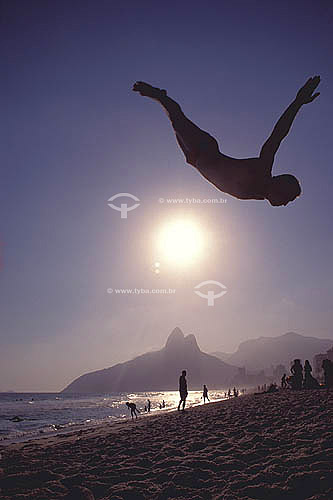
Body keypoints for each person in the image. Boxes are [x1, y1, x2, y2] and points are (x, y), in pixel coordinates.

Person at [133, 77, 320, 206]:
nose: (285, 202)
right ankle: (159, 95)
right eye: (287, 196)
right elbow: (278, 135)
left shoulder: (258, 196)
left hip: (194, 160)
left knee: (174, 121)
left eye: (288, 201)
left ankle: (163, 97)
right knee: (176, 118)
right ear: (277, 183)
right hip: (206, 150)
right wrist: (297, 103)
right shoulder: (263, 169)